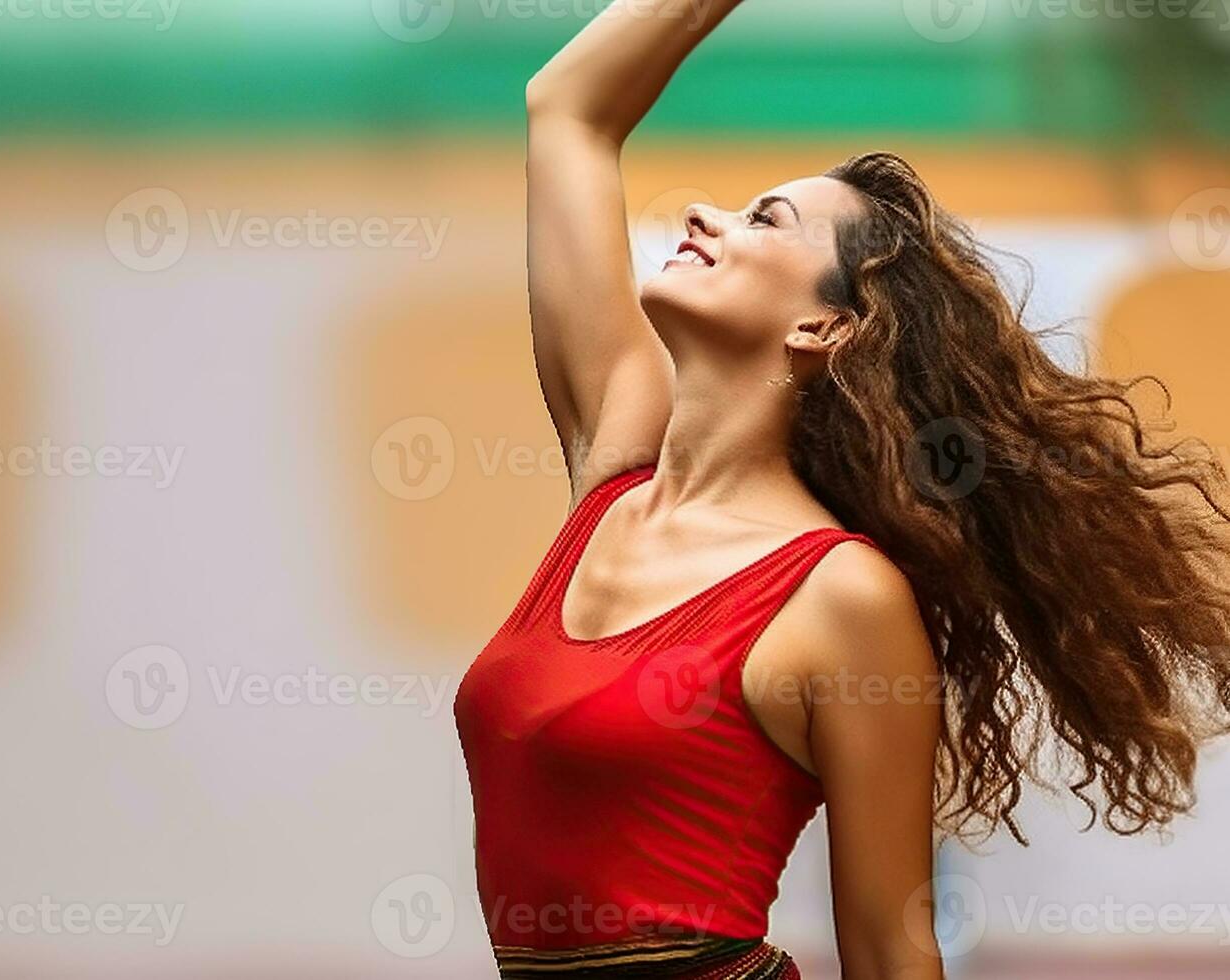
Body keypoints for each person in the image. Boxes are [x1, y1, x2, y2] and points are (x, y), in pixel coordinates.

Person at [452, 1, 1230, 977]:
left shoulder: (844, 597)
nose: (701, 215)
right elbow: (567, 105)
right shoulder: (611, 472)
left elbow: (891, 948)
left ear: (826, 329)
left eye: (763, 219)